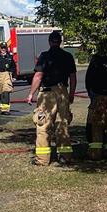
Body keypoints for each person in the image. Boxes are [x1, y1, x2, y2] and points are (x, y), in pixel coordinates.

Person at [27, 31, 77, 165]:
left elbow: (38, 76)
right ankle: (65, 157)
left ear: (49, 42)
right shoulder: (68, 56)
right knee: (62, 124)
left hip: (47, 94)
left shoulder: (45, 56)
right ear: (60, 42)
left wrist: (31, 93)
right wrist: (71, 94)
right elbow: (73, 78)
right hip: (62, 92)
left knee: (43, 125)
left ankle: (42, 159)